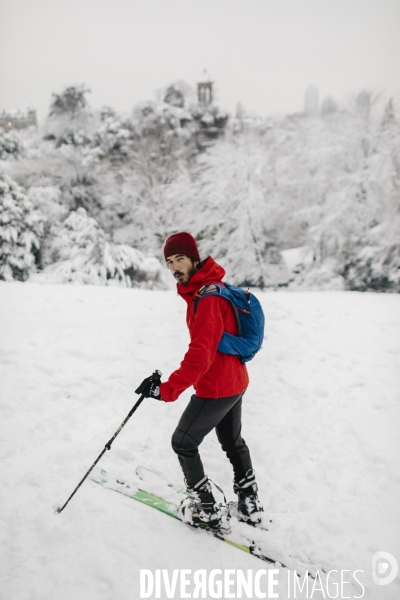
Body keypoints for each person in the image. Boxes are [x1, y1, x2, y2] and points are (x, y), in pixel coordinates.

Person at [138, 232, 263, 530]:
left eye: (180, 259)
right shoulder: (212, 289)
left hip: (217, 386)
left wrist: (166, 390)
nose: (174, 268)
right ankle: (250, 502)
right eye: (169, 262)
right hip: (235, 382)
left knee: (183, 442)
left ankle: (206, 509)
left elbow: (201, 354)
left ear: (195, 258)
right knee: (232, 442)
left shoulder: (206, 298)